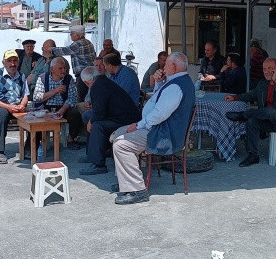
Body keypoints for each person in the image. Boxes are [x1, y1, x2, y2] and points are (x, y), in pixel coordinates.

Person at [111, 52, 195, 205]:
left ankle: (138, 191)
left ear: (174, 67)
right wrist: (158, 82)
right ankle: (126, 180)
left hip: (163, 134)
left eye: (166, 65)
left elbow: (159, 114)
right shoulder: (178, 81)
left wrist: (137, 125)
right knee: (117, 134)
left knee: (121, 144)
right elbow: (158, 100)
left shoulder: (176, 86)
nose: (163, 67)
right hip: (159, 128)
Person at [225, 57, 276, 167]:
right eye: (264, 69)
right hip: (269, 121)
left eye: (270, 68)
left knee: (270, 111)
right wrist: (235, 97)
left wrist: (275, 81)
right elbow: (252, 95)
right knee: (252, 122)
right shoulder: (263, 83)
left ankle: (243, 115)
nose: (266, 71)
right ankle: (253, 155)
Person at [78, 66, 141, 175]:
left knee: (97, 125)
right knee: (88, 117)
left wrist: (91, 122)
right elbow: (101, 107)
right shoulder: (102, 81)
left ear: (86, 82)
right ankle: (92, 154)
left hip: (125, 120)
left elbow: (100, 113)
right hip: (119, 115)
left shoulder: (97, 86)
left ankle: (99, 164)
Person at [0, 50, 29, 164]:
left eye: (15, 61)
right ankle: (0, 151)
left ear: (18, 62)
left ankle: (29, 147)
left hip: (16, 107)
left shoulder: (21, 75)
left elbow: (25, 95)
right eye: (9, 61)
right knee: (1, 113)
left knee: (37, 114)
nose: (12, 64)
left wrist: (22, 105)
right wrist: (8, 107)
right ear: (3, 62)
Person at [32, 56, 84, 149]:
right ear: (52, 69)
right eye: (60, 68)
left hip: (63, 107)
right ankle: (34, 144)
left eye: (64, 68)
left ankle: (70, 139)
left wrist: (62, 110)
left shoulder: (68, 79)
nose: (63, 70)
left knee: (76, 114)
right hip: (45, 108)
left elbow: (72, 97)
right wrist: (54, 91)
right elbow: (36, 97)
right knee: (36, 120)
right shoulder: (43, 78)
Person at [51, 24, 96, 102]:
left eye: (72, 33)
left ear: (78, 35)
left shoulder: (78, 44)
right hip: (91, 72)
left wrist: (51, 49)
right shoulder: (88, 42)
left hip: (83, 74)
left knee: (81, 98)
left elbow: (64, 50)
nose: (70, 35)